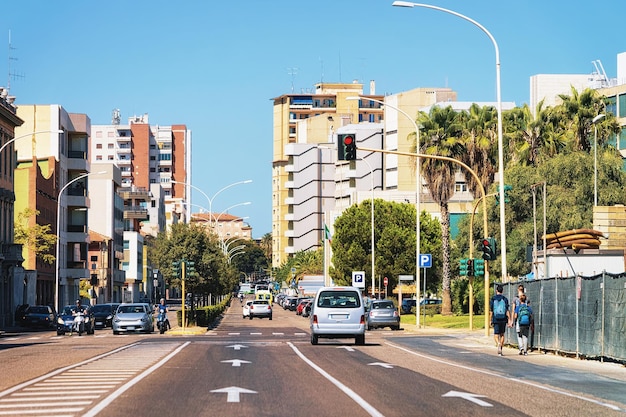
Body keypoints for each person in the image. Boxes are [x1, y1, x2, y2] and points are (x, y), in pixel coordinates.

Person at [489, 284, 511, 356]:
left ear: (496, 291)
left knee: (496, 334)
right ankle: (500, 349)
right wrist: (509, 319)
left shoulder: (493, 299)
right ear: (502, 291)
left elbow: (491, 311)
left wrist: (490, 320)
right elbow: (507, 310)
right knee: (502, 334)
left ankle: (498, 343)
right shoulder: (505, 299)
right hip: (503, 319)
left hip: (496, 318)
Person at [512, 284, 531, 352]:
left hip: (518, 321)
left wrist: (512, 320)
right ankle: (525, 350)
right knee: (525, 335)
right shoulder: (527, 299)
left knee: (519, 334)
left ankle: (521, 347)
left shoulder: (515, 299)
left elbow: (514, 312)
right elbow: (530, 312)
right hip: (526, 320)